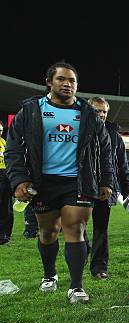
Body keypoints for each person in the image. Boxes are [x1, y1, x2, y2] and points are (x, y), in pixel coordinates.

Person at [5, 61, 113, 303]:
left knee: (76, 229)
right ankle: (49, 275)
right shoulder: (32, 110)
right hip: (43, 183)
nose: (67, 84)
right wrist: (19, 179)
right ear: (49, 82)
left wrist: (106, 180)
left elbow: (105, 149)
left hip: (78, 181)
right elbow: (13, 147)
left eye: (72, 80)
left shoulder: (87, 113)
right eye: (61, 79)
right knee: (48, 231)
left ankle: (76, 287)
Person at [85, 97, 129, 280]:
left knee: (100, 229)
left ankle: (99, 267)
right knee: (77, 225)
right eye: (97, 111)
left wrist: (127, 186)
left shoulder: (114, 135)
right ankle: (84, 248)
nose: (101, 114)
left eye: (104, 111)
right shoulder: (80, 131)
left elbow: (121, 164)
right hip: (82, 187)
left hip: (105, 188)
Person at [0, 120, 12, 245]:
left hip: (5, 174)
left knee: (6, 205)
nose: (0, 132)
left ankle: (5, 234)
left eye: (1, 130)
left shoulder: (4, 142)